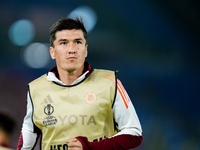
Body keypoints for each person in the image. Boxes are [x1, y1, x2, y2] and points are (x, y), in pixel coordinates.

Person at [17, 17, 143, 150]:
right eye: (63, 43)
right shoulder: (36, 89)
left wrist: (90, 147)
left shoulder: (110, 82)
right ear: (52, 52)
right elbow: (27, 141)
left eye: (77, 42)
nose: (72, 49)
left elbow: (134, 133)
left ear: (86, 50)